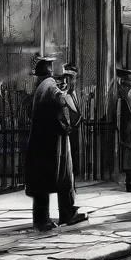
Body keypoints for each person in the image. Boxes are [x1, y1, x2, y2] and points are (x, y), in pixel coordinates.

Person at [25, 56, 86, 231]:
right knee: (63, 177)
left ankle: (43, 218)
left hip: (42, 140)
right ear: (50, 70)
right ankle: (65, 214)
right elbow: (61, 101)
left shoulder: (40, 87)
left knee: (42, 181)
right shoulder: (51, 85)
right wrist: (70, 102)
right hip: (53, 141)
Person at [58, 64, 83, 178]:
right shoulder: (63, 95)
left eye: (73, 79)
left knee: (75, 150)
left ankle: (74, 173)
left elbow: (78, 112)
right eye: (69, 78)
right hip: (67, 129)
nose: (72, 82)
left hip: (76, 129)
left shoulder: (75, 94)